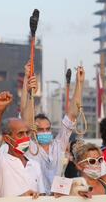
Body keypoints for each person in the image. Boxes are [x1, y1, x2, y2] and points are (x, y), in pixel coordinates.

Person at [21, 63, 85, 195]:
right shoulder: (30, 148)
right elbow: (25, 120)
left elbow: (72, 115)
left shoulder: (58, 144)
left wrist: (79, 83)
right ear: (33, 131)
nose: (45, 132)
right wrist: (28, 87)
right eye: (41, 129)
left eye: (48, 129)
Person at [0, 91, 45, 198]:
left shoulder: (35, 165)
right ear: (7, 138)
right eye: (20, 134)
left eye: (27, 133)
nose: (26, 137)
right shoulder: (0, 162)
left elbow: (43, 196)